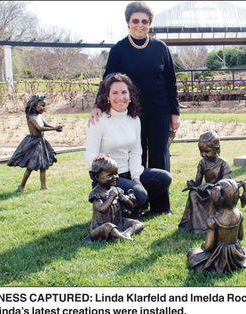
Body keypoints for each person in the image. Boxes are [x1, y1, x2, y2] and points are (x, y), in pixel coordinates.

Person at [89, 2, 180, 213]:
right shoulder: (119, 50)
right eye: (135, 21)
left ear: (150, 23)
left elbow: (171, 83)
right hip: (131, 113)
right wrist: (97, 106)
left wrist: (175, 113)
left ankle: (160, 207)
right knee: (134, 157)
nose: (140, 25)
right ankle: (138, 203)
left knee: (159, 157)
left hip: (160, 112)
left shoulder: (161, 48)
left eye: (145, 21)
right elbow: (107, 81)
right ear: (128, 23)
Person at [85, 73, 172, 215]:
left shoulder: (134, 119)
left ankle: (131, 208)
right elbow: (89, 153)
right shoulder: (99, 120)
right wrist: (96, 158)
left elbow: (135, 151)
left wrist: (136, 177)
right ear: (107, 96)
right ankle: (122, 210)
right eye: (115, 93)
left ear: (130, 95)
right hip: (109, 178)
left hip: (129, 172)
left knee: (164, 178)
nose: (120, 97)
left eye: (124, 92)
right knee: (141, 195)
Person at [187, 179, 246, 275]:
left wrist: (204, 244)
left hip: (218, 255)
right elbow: (240, 237)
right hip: (236, 253)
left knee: (193, 255)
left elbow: (208, 247)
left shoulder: (214, 220)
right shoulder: (239, 215)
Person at [179, 131, 231, 235]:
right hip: (206, 191)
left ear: (216, 149)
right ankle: (197, 227)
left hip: (219, 192)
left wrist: (211, 186)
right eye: (201, 151)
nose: (203, 154)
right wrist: (192, 184)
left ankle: (210, 225)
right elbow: (198, 181)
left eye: (207, 151)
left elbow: (226, 184)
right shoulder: (202, 163)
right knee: (193, 194)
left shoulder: (223, 164)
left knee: (213, 194)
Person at [7, 94, 63, 192]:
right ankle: (22, 186)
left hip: (42, 142)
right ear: (34, 105)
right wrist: (54, 129)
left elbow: (46, 125)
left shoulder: (40, 116)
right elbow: (40, 128)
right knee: (31, 166)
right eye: (42, 105)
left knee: (44, 165)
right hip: (34, 143)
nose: (44, 108)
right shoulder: (31, 117)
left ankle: (43, 186)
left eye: (45, 105)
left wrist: (55, 127)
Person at [88, 156, 144, 241]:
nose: (115, 177)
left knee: (138, 224)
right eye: (110, 175)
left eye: (116, 174)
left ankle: (127, 233)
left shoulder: (116, 189)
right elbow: (100, 208)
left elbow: (130, 207)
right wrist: (111, 197)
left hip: (119, 222)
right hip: (101, 226)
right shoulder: (96, 193)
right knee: (108, 227)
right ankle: (122, 237)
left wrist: (126, 200)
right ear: (97, 177)